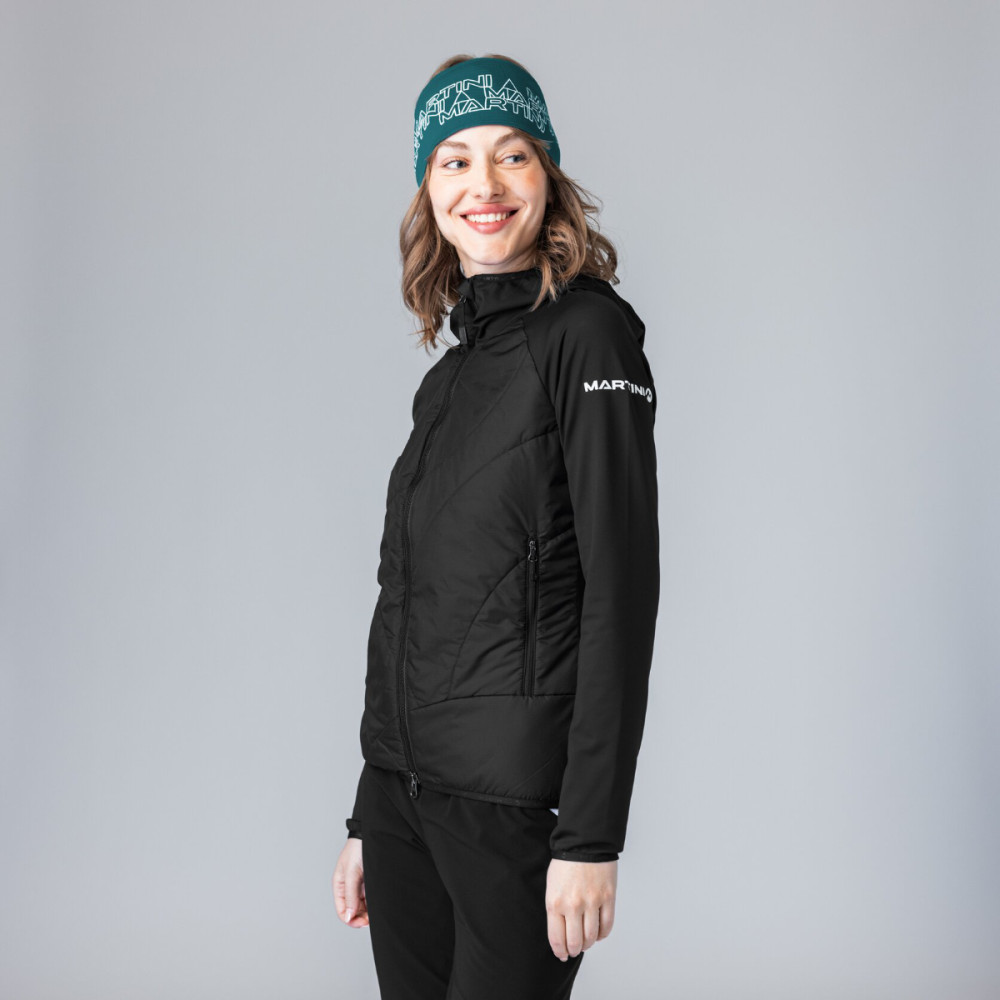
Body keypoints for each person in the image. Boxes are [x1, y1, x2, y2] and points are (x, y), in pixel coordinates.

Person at [331, 52, 660, 1000]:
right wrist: (368, 810)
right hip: (404, 803)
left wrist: (590, 837)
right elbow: (408, 602)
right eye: (455, 160)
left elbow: (621, 594)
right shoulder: (450, 376)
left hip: (509, 812)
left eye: (512, 155)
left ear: (546, 176)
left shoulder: (588, 336)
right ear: (429, 190)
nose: (484, 184)